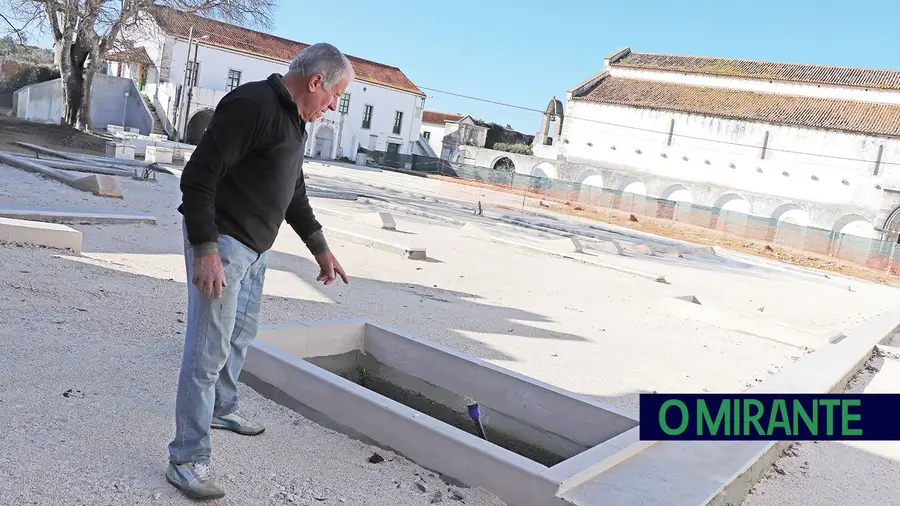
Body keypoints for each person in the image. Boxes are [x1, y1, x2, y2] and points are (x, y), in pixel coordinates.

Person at [165, 42, 354, 500]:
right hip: (223, 246)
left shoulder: (295, 124)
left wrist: (320, 248)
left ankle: (222, 408)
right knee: (207, 351)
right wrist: (206, 249)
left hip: (255, 252)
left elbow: (294, 193)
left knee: (241, 335)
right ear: (315, 82)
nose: (332, 107)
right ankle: (186, 459)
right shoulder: (252, 105)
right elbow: (198, 177)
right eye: (334, 96)